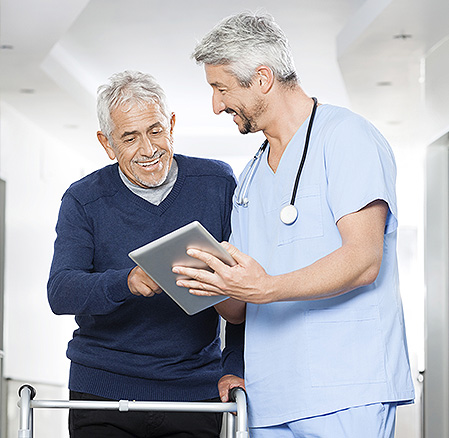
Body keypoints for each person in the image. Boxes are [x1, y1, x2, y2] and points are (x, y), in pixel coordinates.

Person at [172, 12, 415, 438]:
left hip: (345, 390)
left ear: (262, 78)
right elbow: (240, 305)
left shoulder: (346, 137)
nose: (216, 105)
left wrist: (264, 287)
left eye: (221, 88)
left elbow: (363, 260)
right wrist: (206, 281)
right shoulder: (249, 175)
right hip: (269, 397)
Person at [47, 70, 244, 438]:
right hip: (103, 391)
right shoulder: (83, 199)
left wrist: (235, 364)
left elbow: (242, 290)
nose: (149, 149)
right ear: (107, 143)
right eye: (130, 137)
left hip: (192, 392)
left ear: (171, 124)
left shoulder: (217, 183)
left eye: (155, 130)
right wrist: (128, 281)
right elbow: (60, 291)